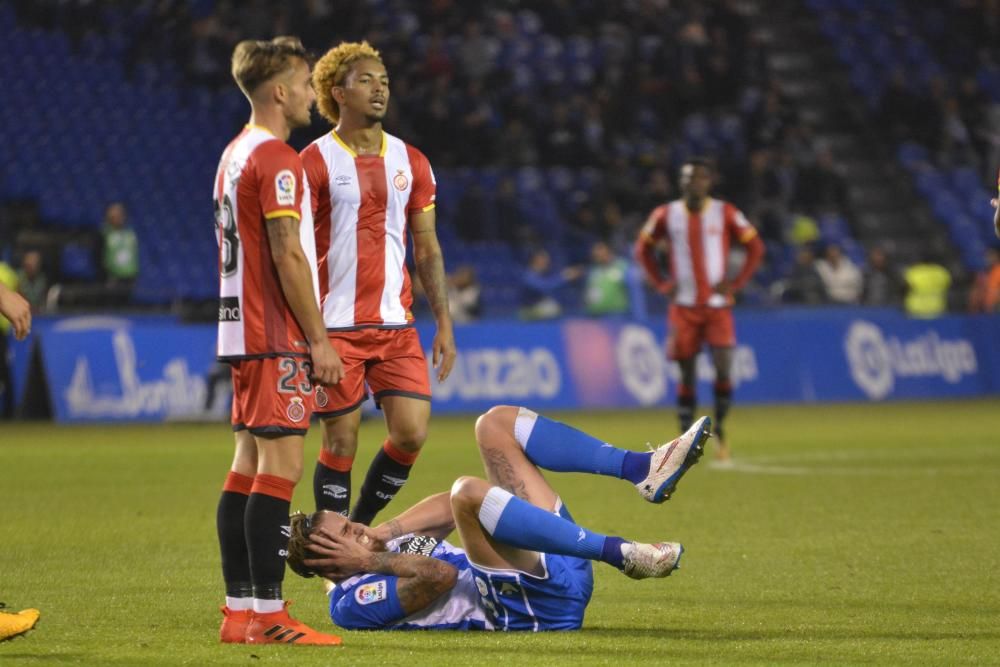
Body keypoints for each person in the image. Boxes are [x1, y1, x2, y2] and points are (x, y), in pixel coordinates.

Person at [286, 407, 714, 631]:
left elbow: (443, 507)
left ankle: (641, 468)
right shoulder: (352, 603)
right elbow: (440, 577)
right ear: (327, 560)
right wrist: (365, 562)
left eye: (350, 523)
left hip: (554, 569)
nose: (356, 527)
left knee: (494, 425)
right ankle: (620, 552)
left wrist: (380, 533)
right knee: (467, 492)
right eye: (345, 533)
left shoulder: (376, 545)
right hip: (528, 611)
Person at [212, 35, 345, 647]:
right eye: (302, 82)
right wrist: (318, 340)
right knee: (282, 470)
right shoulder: (277, 159)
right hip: (275, 335)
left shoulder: (234, 153)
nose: (312, 98)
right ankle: (267, 614)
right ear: (279, 91)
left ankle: (240, 612)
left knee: (246, 467)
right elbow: (289, 251)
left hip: (240, 330)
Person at [302, 41, 456, 527]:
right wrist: (311, 334)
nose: (379, 88)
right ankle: (332, 552)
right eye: (366, 80)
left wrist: (445, 325)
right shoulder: (313, 161)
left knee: (410, 435)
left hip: (396, 324)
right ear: (337, 93)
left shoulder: (412, 161)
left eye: (384, 81)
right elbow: (295, 252)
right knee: (340, 442)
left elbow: (427, 248)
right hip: (336, 327)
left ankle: (360, 529)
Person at [634, 157, 764, 462]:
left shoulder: (726, 212)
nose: (693, 183)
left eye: (699, 178)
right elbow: (643, 249)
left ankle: (720, 432)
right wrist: (662, 284)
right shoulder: (666, 214)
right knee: (687, 373)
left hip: (718, 307)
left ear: (709, 181)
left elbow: (756, 247)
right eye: (687, 178)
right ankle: (683, 439)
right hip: (684, 308)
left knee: (722, 366)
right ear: (681, 183)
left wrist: (737, 283)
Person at [518, 248, 583, 320]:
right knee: (552, 308)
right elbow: (545, 286)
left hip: (536, 308)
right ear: (536, 260)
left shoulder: (541, 274)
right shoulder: (528, 275)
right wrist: (565, 276)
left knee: (554, 306)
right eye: (544, 259)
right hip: (525, 312)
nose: (548, 262)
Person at [584, 241, 629, 316]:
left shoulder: (623, 267)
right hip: (594, 315)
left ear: (609, 250)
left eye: (599, 250)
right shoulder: (594, 271)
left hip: (616, 315)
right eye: (595, 252)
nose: (596, 253)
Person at [100, 202, 139, 289]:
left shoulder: (130, 234)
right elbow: (99, 257)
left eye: (120, 214)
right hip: (111, 278)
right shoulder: (103, 234)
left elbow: (134, 256)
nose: (118, 217)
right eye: (114, 215)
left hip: (129, 277)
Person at [903, 252, 952, 318]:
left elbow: (904, 288)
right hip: (937, 308)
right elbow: (949, 287)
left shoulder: (914, 271)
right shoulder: (942, 271)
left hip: (915, 308)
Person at [967, 247, 1000, 313]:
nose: (988, 259)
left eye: (991, 256)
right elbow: (976, 289)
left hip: (996, 306)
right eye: (987, 257)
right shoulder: (982, 272)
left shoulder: (998, 270)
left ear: (997, 257)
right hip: (983, 307)